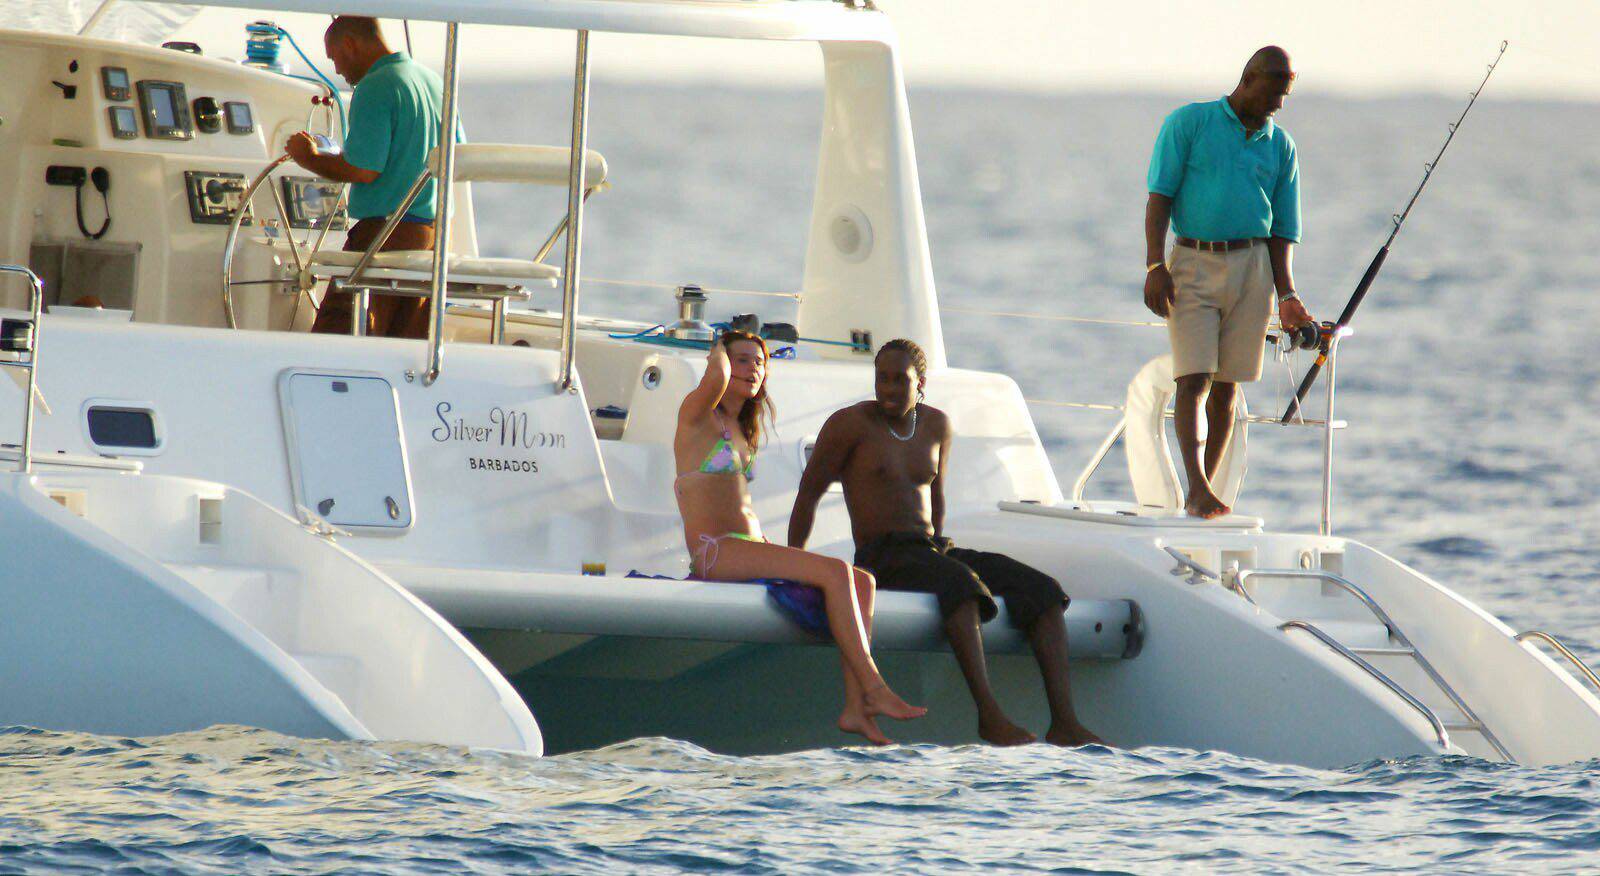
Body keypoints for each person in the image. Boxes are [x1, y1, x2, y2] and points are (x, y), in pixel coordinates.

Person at [788, 339, 1101, 747]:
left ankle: (1065, 723)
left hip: (929, 548)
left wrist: (940, 546)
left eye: (900, 380)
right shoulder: (849, 425)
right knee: (961, 585)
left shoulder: (937, 425)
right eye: (881, 379)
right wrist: (795, 565)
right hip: (883, 554)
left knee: (1042, 589)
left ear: (920, 383)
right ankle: (989, 717)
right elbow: (807, 496)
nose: (888, 389)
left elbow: (936, 497)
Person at [674, 330, 927, 746]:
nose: (752, 369)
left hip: (748, 546)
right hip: (716, 550)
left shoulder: (741, 428)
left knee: (863, 581)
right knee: (835, 572)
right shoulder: (697, 415)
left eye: (759, 362)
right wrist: (718, 346)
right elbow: (715, 377)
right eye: (742, 360)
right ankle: (874, 685)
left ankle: (855, 707)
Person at [1143, 46, 1315, 518]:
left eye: (1286, 94)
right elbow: (1159, 197)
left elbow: (1283, 231)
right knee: (1193, 376)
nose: (1279, 104)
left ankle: (1203, 491)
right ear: (1248, 78)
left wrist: (1288, 295)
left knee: (1227, 386)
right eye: (1274, 92)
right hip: (1193, 262)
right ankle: (1197, 488)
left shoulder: (1281, 146)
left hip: (1253, 269)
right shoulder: (1189, 123)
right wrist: (1154, 265)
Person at [284, 16, 457, 339]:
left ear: (350, 44)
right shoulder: (433, 82)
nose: (337, 70)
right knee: (403, 344)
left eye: (334, 57)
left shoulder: (375, 86)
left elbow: (363, 170)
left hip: (385, 236)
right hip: (431, 241)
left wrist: (308, 157)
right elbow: (456, 156)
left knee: (339, 337)